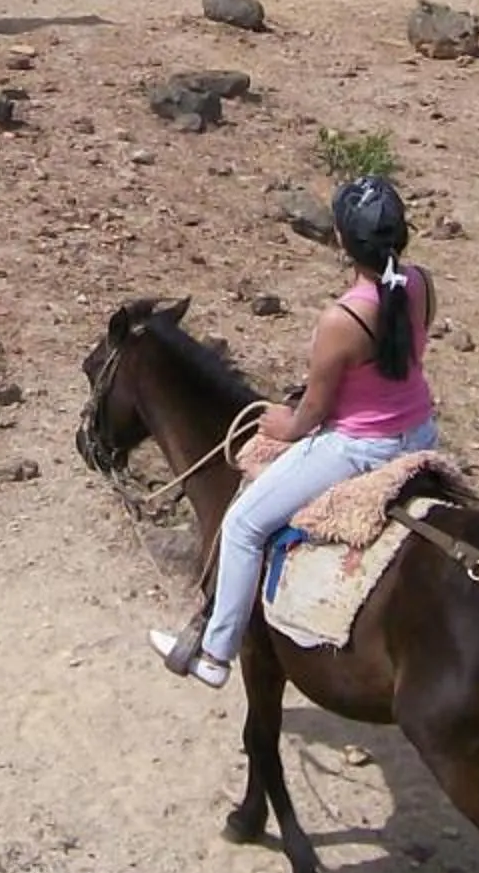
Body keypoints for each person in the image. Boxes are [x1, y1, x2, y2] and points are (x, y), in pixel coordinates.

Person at [152, 176, 439, 689]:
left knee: (241, 524)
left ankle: (216, 653)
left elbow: (310, 417)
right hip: (418, 430)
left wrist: (278, 423)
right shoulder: (420, 284)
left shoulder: (343, 318)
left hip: (361, 448)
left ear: (341, 239)